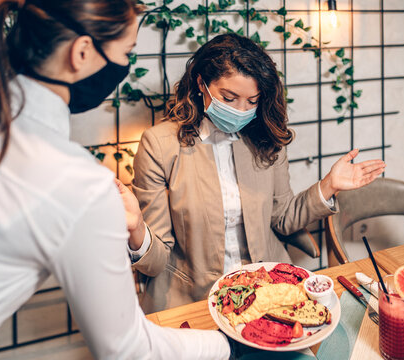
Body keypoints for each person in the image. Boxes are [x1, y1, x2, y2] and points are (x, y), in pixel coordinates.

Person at [0, 0, 230, 359]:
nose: (125, 66)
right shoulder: (72, 181)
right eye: (126, 52)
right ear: (81, 52)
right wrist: (230, 345)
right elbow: (127, 350)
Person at [129, 33, 386, 313]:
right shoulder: (159, 145)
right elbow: (155, 261)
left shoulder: (265, 136)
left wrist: (328, 185)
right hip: (194, 298)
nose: (242, 110)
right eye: (229, 98)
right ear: (201, 83)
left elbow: (283, 218)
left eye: (252, 101)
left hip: (266, 289)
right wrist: (136, 230)